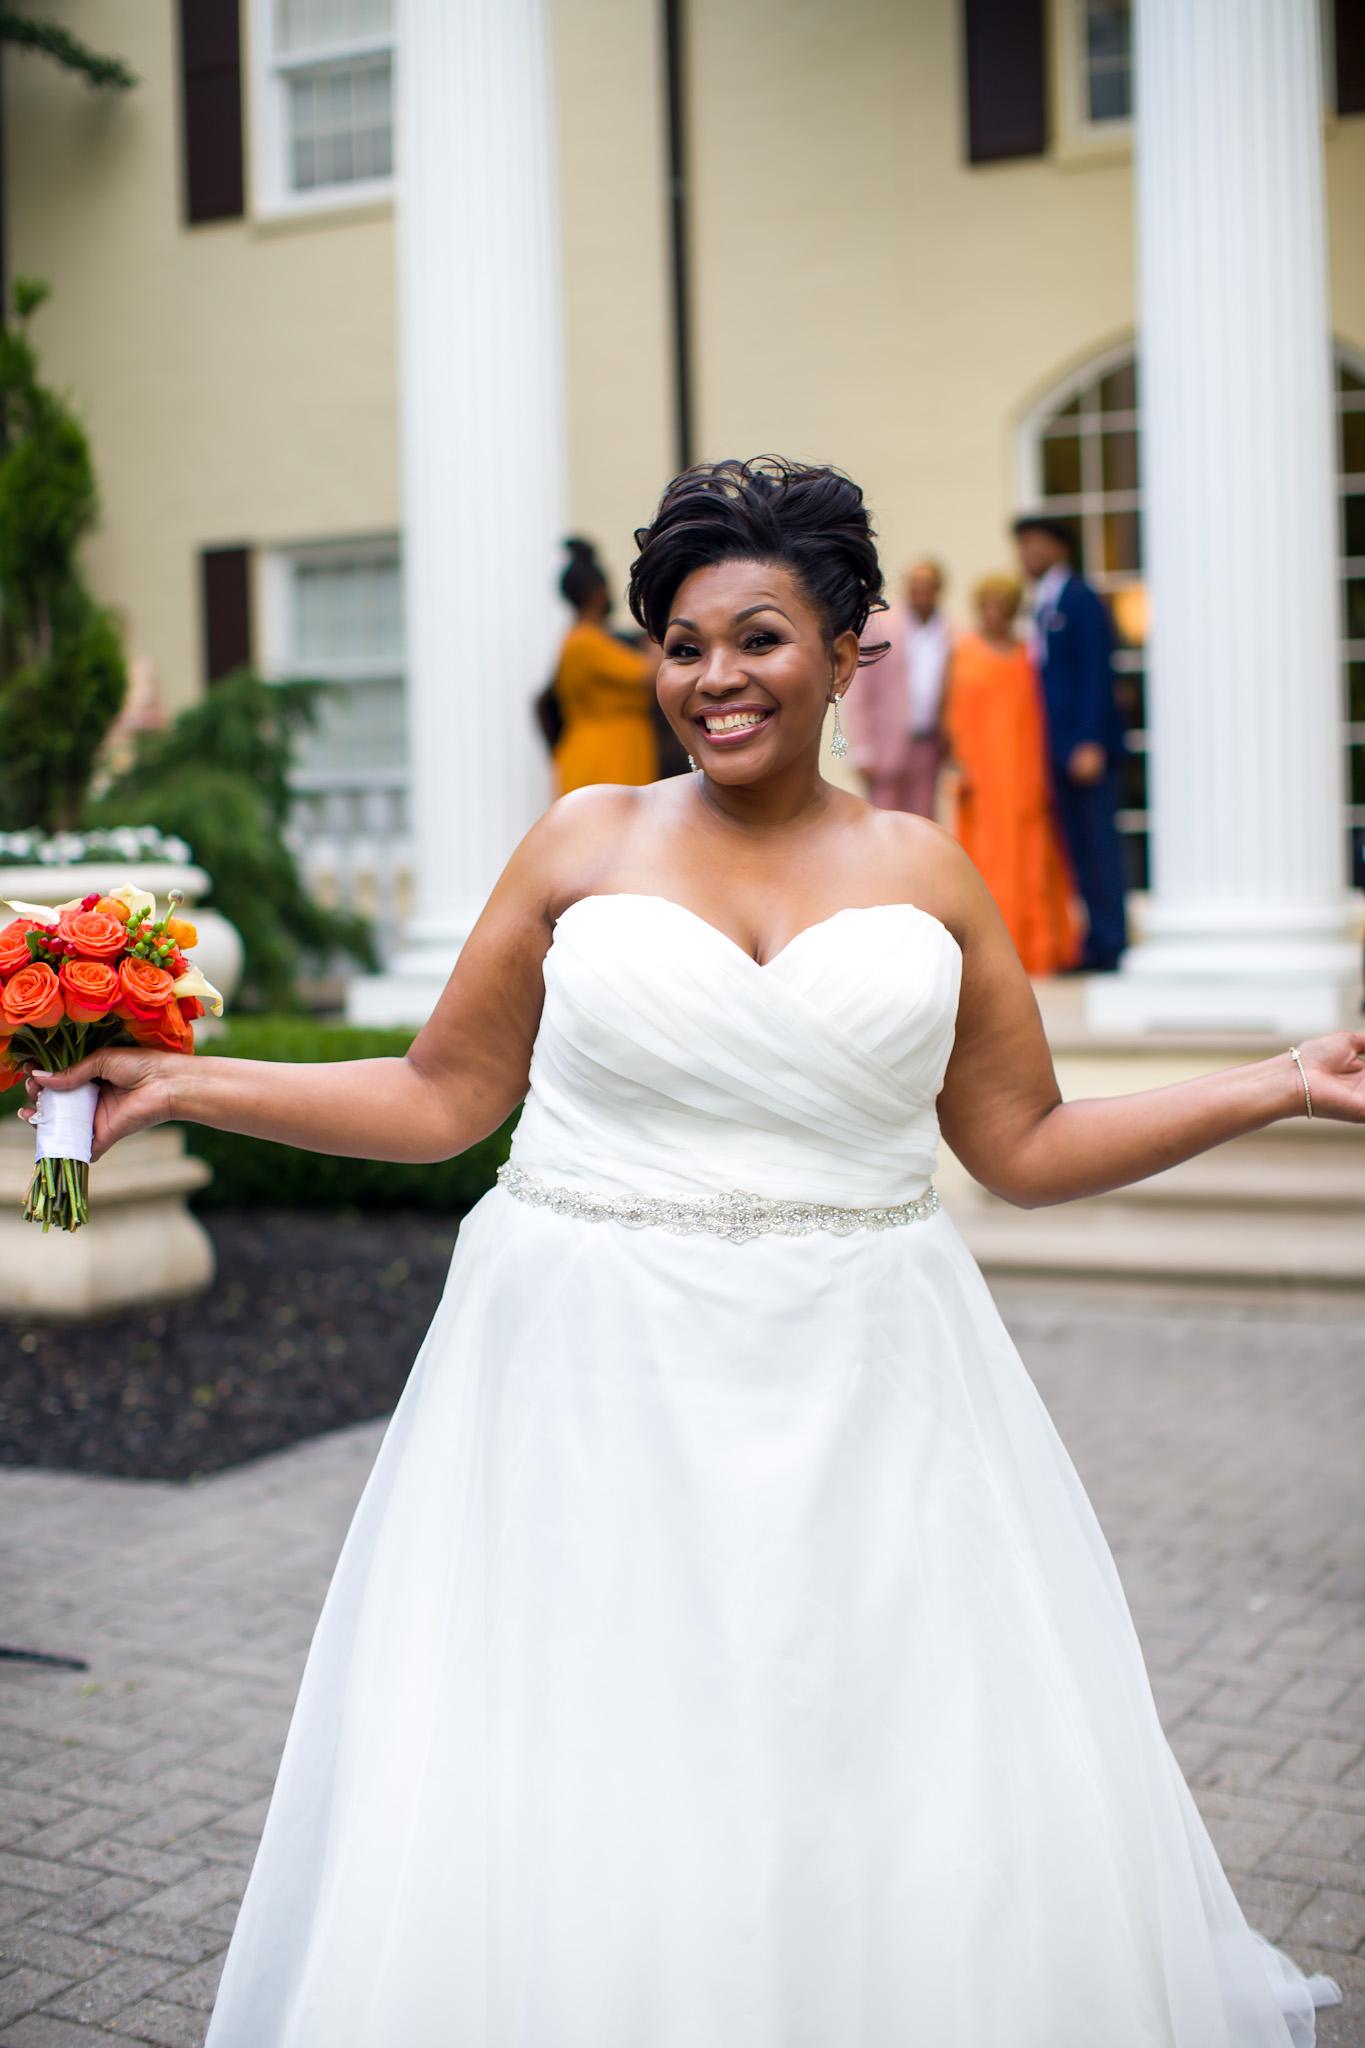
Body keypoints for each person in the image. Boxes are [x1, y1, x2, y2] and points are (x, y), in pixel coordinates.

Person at [21, 456, 1355, 2048]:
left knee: (860, 1749)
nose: (712, 677)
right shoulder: (583, 840)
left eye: (759, 636)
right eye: (680, 642)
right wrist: (182, 1079)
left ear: (850, 646)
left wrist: (1279, 1083)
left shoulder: (929, 874)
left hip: (868, 1377)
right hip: (588, 1367)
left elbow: (1023, 1148)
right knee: (597, 1757)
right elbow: (442, 1096)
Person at [943, 573, 1080, 975]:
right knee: (988, 855)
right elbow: (950, 712)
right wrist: (959, 762)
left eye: (1002, 608)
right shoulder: (964, 652)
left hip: (1023, 766)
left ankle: (1037, 948)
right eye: (988, 606)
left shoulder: (1027, 654)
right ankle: (993, 953)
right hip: (983, 772)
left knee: (1031, 855)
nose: (994, 615)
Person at [1012, 513, 1129, 972]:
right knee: (1077, 848)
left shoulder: (1080, 599)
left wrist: (1089, 741)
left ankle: (1110, 942)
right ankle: (1094, 940)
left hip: (1084, 748)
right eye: (1022, 546)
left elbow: (1097, 673)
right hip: (1054, 749)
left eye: (1034, 544)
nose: (1026, 555)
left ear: (1059, 548)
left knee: (1099, 845)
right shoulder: (1042, 601)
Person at [550, 536, 661, 794]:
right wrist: (657, 632)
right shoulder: (585, 642)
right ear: (597, 593)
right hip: (604, 754)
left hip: (619, 746)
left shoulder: (592, 639)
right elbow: (647, 673)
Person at [844, 555, 952, 817]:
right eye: (915, 584)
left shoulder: (951, 631)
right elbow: (861, 691)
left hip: (929, 745)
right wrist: (862, 749)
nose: (921, 591)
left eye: (927, 585)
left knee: (924, 819)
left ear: (938, 589)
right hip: (886, 745)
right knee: (883, 819)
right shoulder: (882, 626)